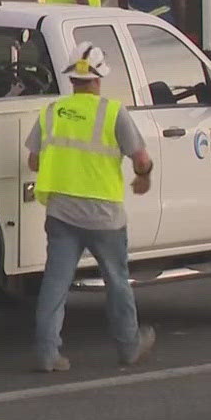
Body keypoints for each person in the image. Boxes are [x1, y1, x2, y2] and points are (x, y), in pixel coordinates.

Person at [26, 44, 158, 373]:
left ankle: (46, 353)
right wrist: (144, 177)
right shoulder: (113, 112)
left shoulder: (52, 111)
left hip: (61, 213)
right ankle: (129, 347)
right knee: (116, 281)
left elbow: (33, 160)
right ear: (98, 79)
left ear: (72, 79)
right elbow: (140, 159)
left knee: (55, 284)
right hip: (104, 217)